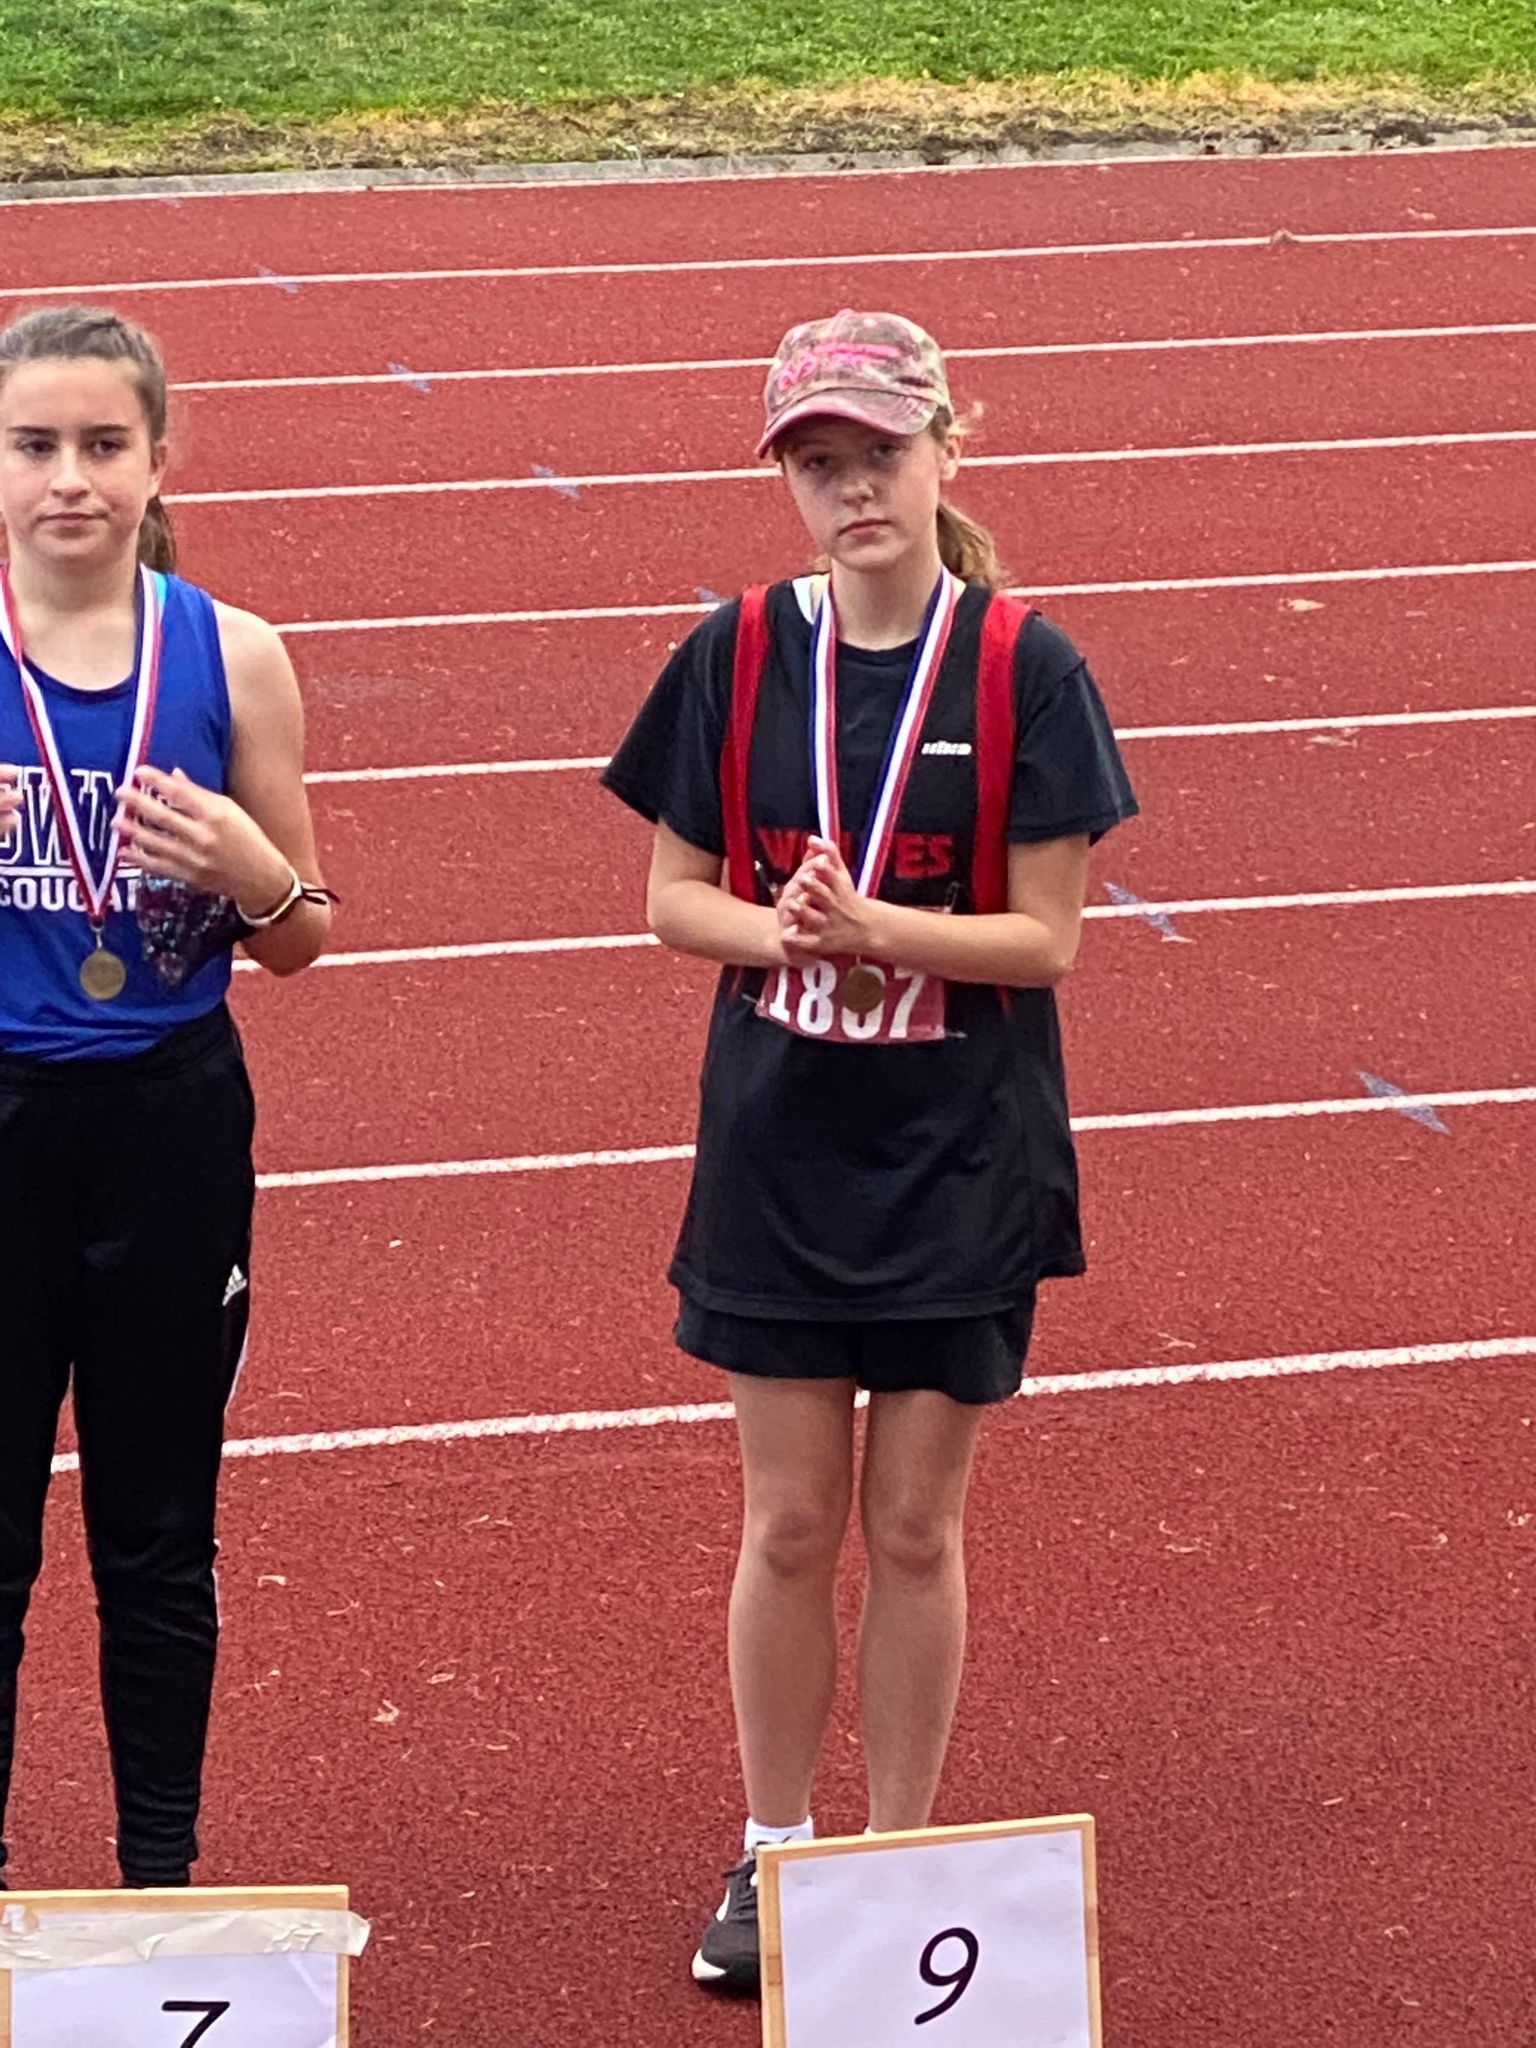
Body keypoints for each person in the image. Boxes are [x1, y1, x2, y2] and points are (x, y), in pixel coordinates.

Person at [602, 309, 1139, 1992]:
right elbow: (672, 897)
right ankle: (776, 1847)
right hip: (782, 1145)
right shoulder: (741, 651)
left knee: (913, 1527)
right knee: (784, 1525)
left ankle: (897, 1862)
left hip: (959, 1149)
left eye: (880, 455)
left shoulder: (1026, 668)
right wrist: (778, 933)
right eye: (818, 465)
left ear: (947, 451)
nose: (852, 491)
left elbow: (1046, 941)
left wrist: (875, 928)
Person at [0, 304, 333, 1890]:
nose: (70, 477)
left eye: (102, 445)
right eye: (35, 445)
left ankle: (161, 1885)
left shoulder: (234, 653)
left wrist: (251, 867)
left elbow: (303, 934)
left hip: (169, 1126)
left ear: (158, 460)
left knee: (158, 1537)